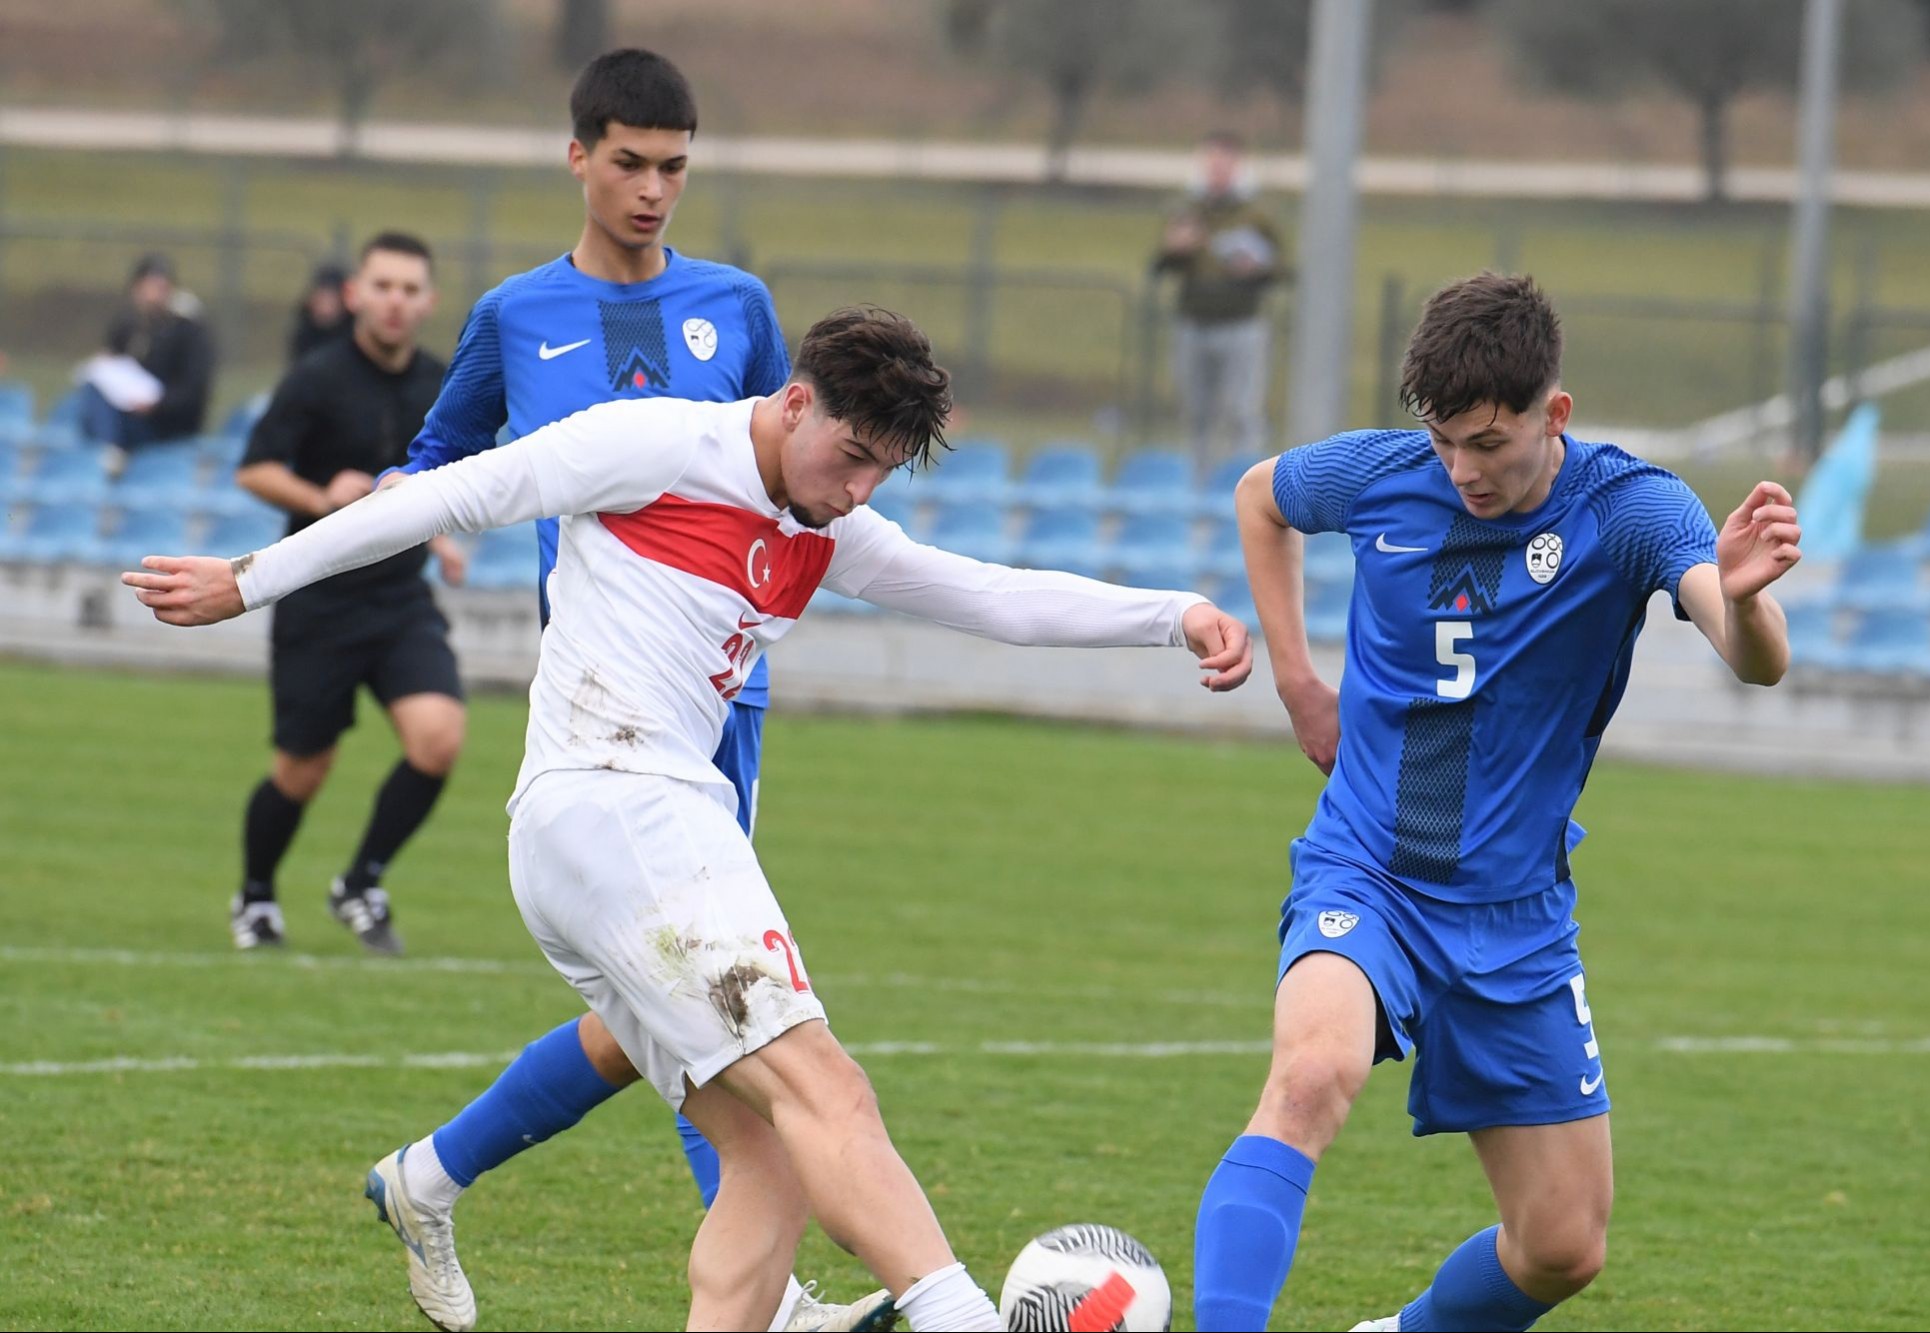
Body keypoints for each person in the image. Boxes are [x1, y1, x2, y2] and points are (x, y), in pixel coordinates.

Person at [125, 303, 1255, 1332]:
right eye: (853, 455)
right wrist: (249, 578)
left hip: (632, 828)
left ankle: (448, 1185)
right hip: (615, 808)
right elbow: (447, 493)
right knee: (830, 1088)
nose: (860, 489)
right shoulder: (655, 444)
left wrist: (1176, 614)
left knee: (764, 1159)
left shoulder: (829, 523)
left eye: (885, 471)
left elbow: (996, 596)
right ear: (796, 402)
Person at [361, 47, 881, 1333]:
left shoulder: (737, 302)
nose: (654, 190)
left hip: (723, 695)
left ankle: (427, 1178)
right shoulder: (513, 315)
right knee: (708, 999)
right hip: (599, 710)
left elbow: (783, 455)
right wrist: (405, 520)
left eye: (676, 168)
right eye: (632, 163)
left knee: (677, 1000)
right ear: (578, 156)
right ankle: (772, 1290)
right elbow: (436, 459)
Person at [1189, 272, 1800, 1333]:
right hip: (1367, 873)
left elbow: (1753, 660)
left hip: (1514, 919)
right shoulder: (1383, 474)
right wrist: (1296, 681)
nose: (1461, 470)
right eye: (1442, 443)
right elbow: (1260, 495)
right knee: (1310, 1073)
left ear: (1550, 412)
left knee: (1562, 1245)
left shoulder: (1628, 508)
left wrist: (1743, 604)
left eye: (1487, 443)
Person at [227, 232, 467, 956]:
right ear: (357, 293)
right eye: (383, 286)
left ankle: (360, 881)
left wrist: (442, 536)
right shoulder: (317, 376)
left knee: (439, 739)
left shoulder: (440, 383)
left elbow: (441, 480)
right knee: (304, 768)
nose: (395, 302)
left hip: (398, 599)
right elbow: (254, 470)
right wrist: (321, 496)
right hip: (319, 597)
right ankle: (257, 895)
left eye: (409, 289)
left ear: (428, 301)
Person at [1152, 130, 1284, 469]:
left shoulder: (1255, 215)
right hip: (1194, 322)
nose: (1217, 172)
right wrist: (1176, 249)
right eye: (1211, 164)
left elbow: (1283, 267)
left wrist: (1256, 268)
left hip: (1240, 322)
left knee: (1242, 411)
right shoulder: (1188, 210)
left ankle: (1247, 485)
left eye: (1223, 165)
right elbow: (1161, 264)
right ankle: (1198, 483)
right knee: (1195, 412)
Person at [81, 253, 215, 459]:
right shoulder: (129, 325)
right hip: (128, 415)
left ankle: (106, 455)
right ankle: (105, 454)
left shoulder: (188, 331)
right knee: (92, 391)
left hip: (167, 425)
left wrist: (157, 404)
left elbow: (193, 390)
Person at [289, 261, 355, 364]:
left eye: (331, 298)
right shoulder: (303, 335)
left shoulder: (355, 337)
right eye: (322, 297)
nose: (326, 305)